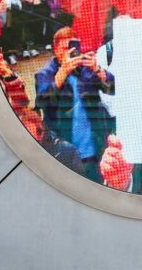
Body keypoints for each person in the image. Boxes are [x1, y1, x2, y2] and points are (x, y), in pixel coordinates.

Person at [34, 27, 115, 183]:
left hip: (95, 149)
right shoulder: (44, 73)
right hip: (66, 151)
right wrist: (62, 73)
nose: (71, 53)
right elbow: (41, 102)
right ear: (56, 51)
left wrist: (98, 70)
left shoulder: (86, 70)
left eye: (74, 48)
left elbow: (113, 88)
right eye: (66, 49)